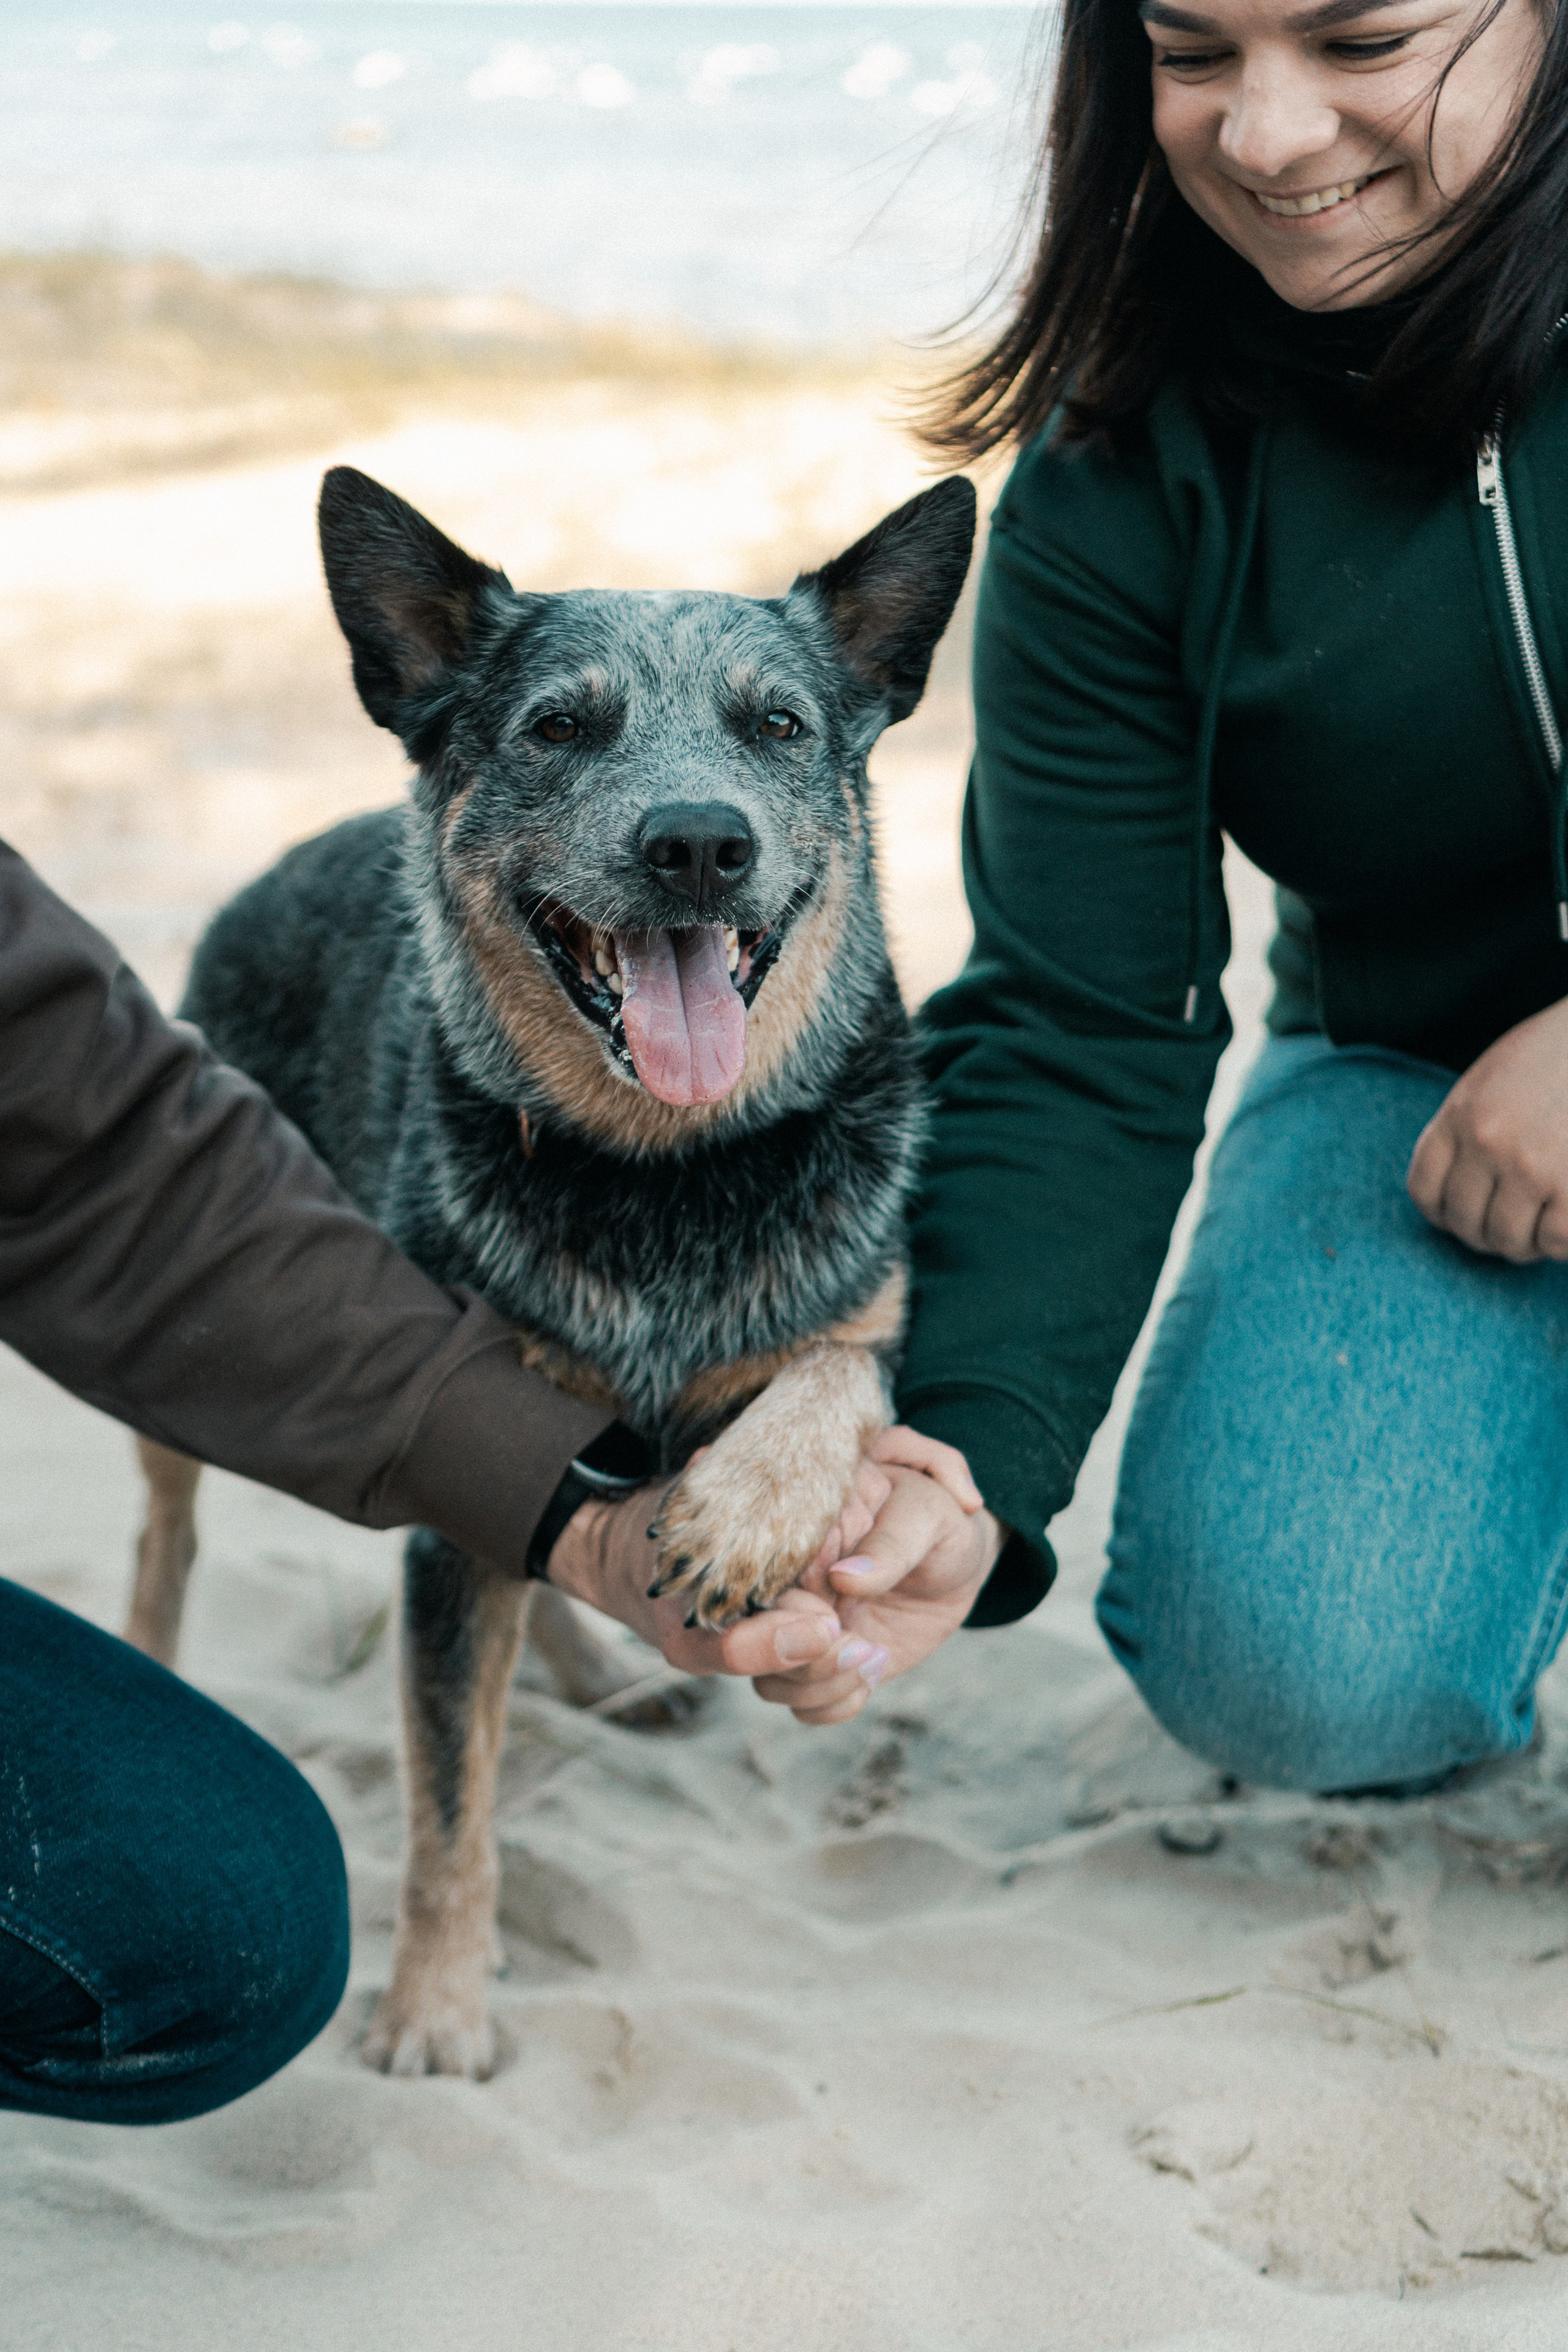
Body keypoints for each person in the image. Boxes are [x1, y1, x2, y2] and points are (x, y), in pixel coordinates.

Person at [754, 0, 1568, 1790]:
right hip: (1420, 1080)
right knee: (1292, 1664)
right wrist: (963, 1453)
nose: (1269, 138)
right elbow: (1082, 1009)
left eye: (1364, 42)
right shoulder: (1121, 467)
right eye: (1192, 53)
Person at [0, 843, 852, 2124]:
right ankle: (160, 1569)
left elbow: (117, 1183)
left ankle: (560, 1638)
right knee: (208, 1414)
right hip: (296, 980)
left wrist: (573, 1524)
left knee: (227, 1913)